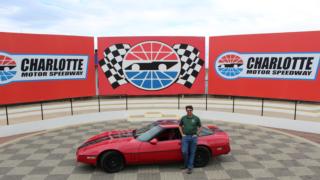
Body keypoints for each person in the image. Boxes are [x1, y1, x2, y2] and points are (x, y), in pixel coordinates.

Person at [178, 105, 202, 174]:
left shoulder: (196, 118)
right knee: (184, 151)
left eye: (190, 110)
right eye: (187, 110)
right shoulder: (183, 118)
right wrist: (182, 134)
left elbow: (200, 126)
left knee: (192, 153)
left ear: (192, 110)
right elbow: (179, 126)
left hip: (193, 137)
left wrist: (196, 134)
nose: (189, 111)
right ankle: (186, 164)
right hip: (185, 137)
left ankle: (189, 167)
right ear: (186, 111)